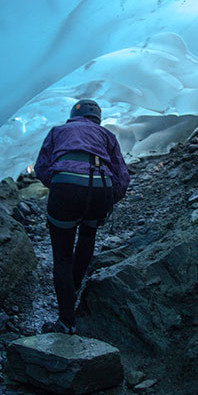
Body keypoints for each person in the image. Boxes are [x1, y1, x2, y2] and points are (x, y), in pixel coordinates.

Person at [34, 99, 130, 334]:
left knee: (63, 257)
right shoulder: (106, 135)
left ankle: (66, 321)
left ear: (73, 115)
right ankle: (73, 287)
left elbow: (42, 167)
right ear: (97, 118)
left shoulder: (58, 131)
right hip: (101, 188)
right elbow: (122, 175)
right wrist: (108, 199)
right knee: (88, 235)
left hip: (67, 186)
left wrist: (59, 186)